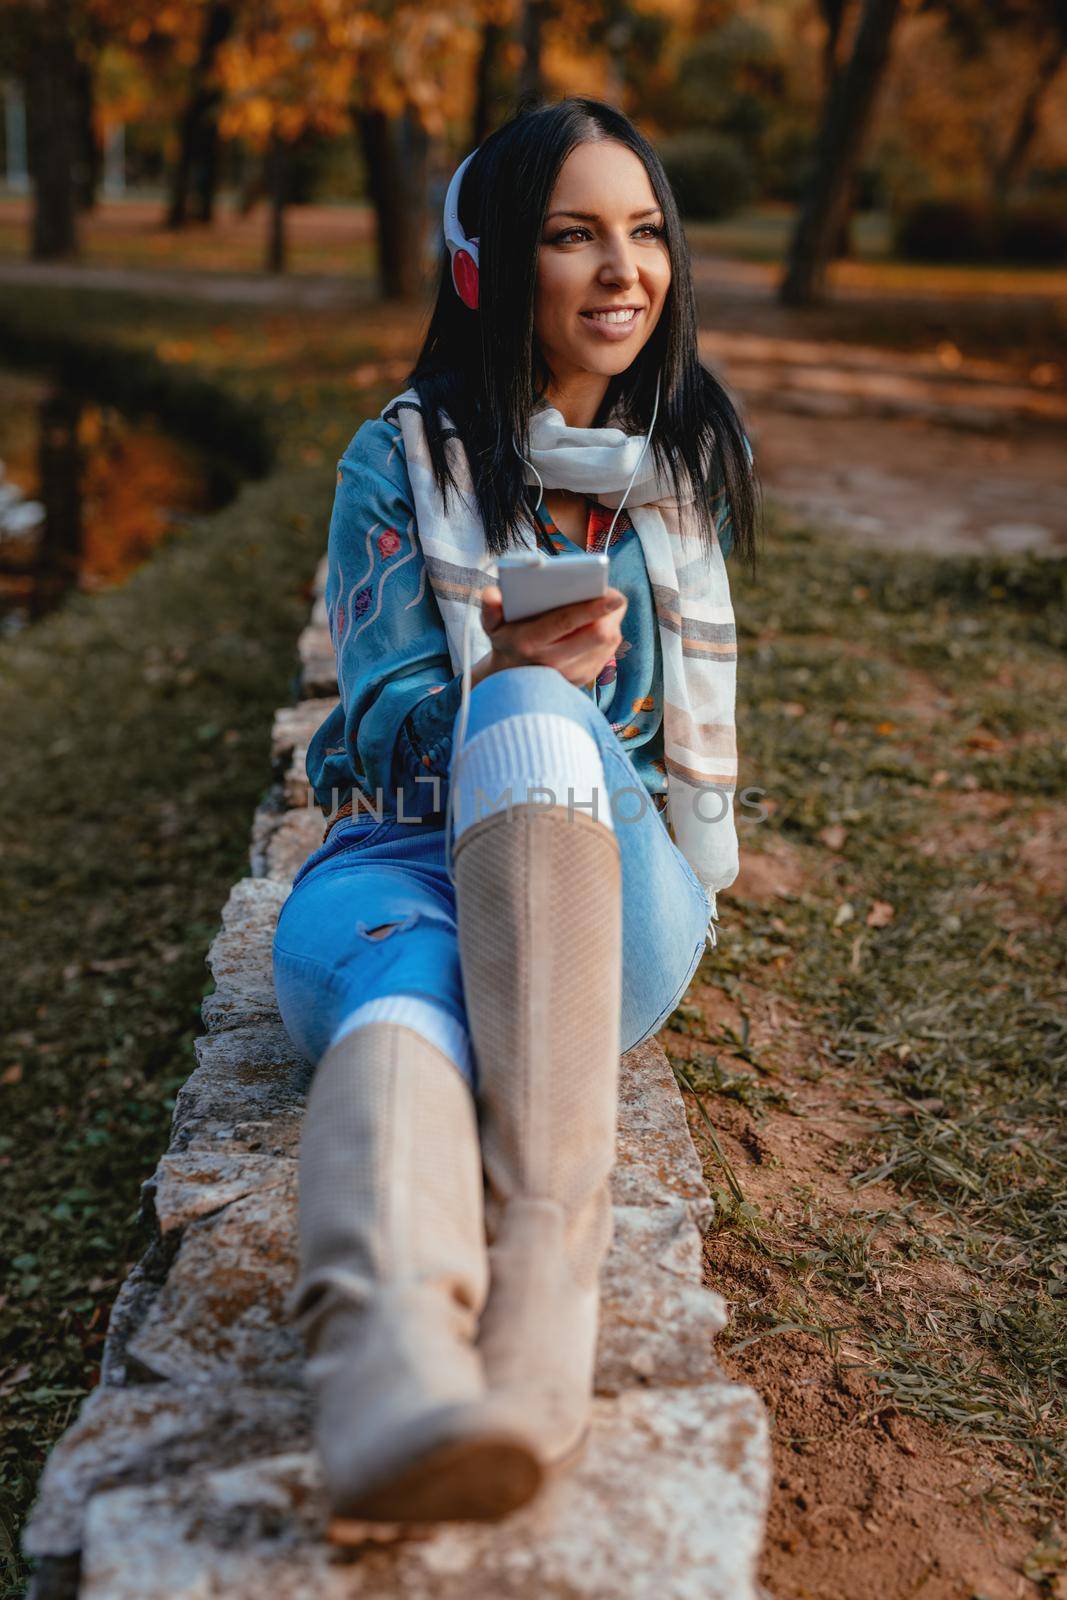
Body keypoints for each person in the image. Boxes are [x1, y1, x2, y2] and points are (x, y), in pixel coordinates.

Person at [271, 94, 760, 1538]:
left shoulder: (681, 469)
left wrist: (529, 696)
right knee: (400, 1001)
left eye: (645, 233)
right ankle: (389, 1379)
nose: (624, 271)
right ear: (488, 267)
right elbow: (373, 717)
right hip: (405, 872)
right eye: (573, 236)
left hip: (616, 906)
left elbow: (665, 757)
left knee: (534, 711)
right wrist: (487, 686)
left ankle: (545, 1318)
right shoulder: (400, 461)